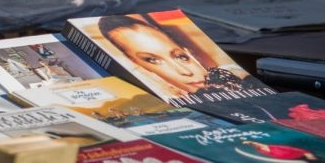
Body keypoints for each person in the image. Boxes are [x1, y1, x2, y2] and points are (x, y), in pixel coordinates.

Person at [97, 14, 260, 100]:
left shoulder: (236, 77)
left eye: (180, 56)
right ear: (139, 66)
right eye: (152, 60)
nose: (184, 72)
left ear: (187, 51)